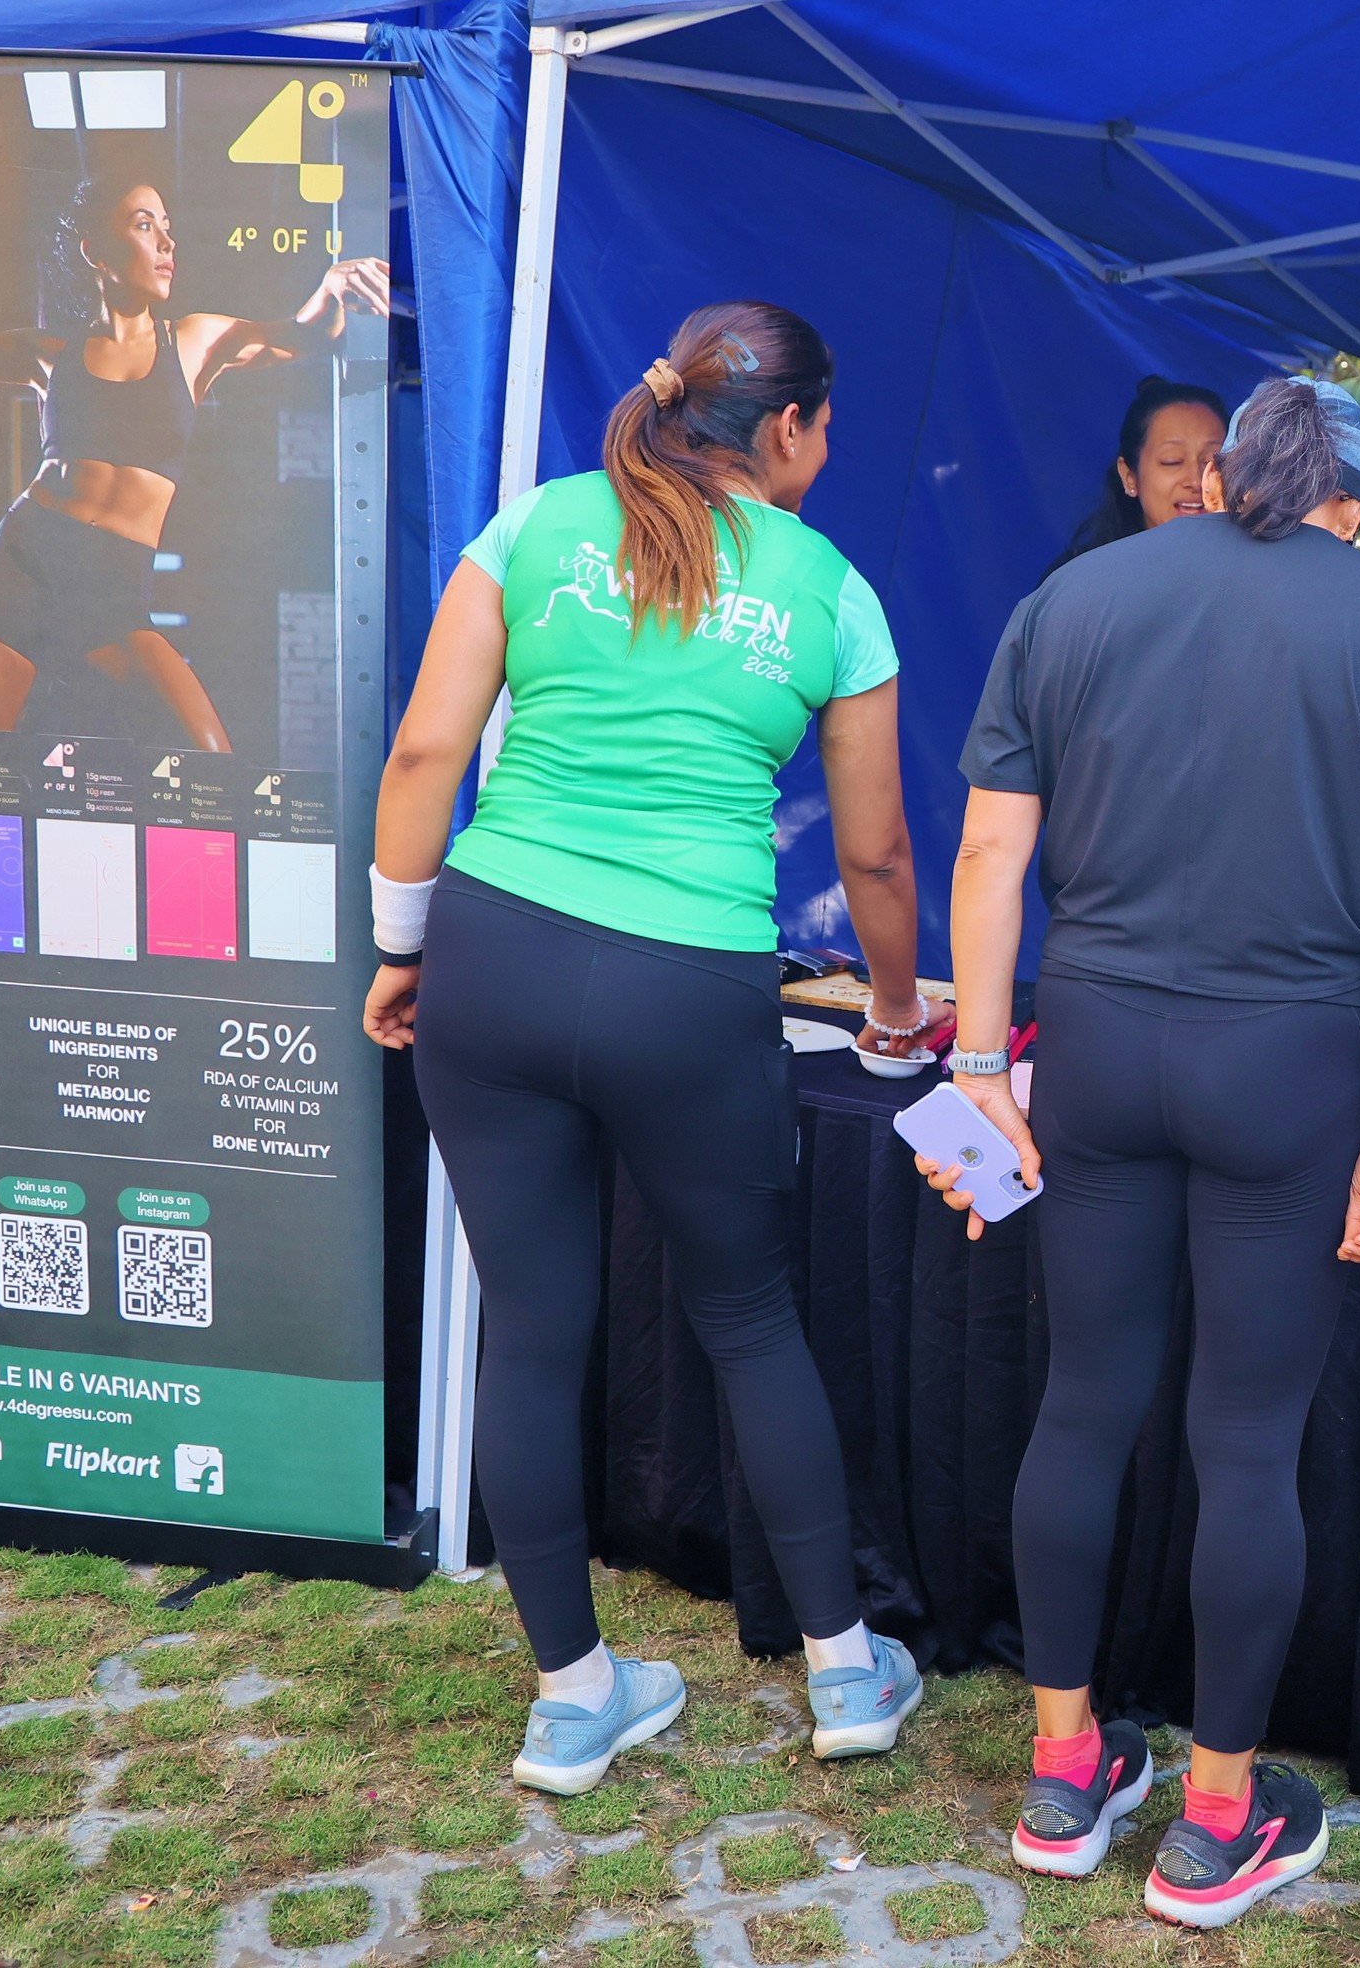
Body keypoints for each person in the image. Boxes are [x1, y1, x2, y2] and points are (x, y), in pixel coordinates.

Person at [919, 377, 1360, 1927]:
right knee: (1246, 1441)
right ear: (1353, 498)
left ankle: (1063, 1774)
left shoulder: (1077, 598)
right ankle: (1218, 1818)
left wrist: (980, 1068)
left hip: (1096, 1048)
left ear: (1224, 473)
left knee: (1083, 1400)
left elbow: (988, 850)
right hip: (1285, 1066)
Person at [361, 302, 936, 1795]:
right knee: (749, 1318)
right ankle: (845, 1670)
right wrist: (893, 1008)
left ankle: (573, 1697)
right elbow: (876, 854)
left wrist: (402, 944)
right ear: (790, 430)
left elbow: (425, 751)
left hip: (493, 953)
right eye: (826, 428)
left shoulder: (537, 525)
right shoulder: (831, 591)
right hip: (690, 986)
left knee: (531, 1328)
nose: (828, 451)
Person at [0, 179, 391, 749]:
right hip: (23, 569)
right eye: (144, 225)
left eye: (167, 227)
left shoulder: (193, 341)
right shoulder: (51, 355)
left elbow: (304, 335)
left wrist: (332, 285)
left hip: (114, 591)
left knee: (210, 763)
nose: (167, 243)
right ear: (96, 251)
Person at [1043, 375, 1228, 572]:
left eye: (1213, 461)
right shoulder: (1082, 576)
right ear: (1129, 476)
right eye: (1172, 461)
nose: (1196, 481)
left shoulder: (1249, 569)